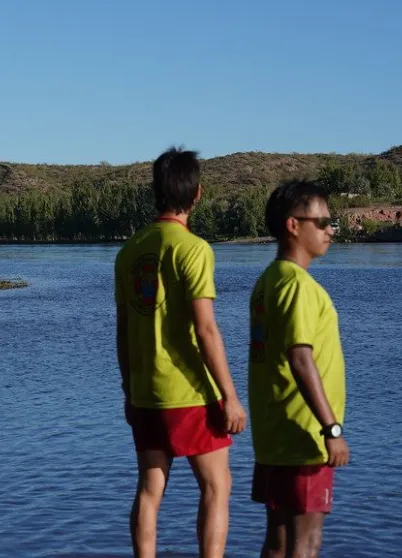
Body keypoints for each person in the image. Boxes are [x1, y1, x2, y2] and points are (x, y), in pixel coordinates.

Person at [114, 147, 247, 558]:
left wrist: (129, 391)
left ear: (155, 192)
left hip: (146, 391)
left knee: (150, 490)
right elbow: (205, 328)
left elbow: (122, 331)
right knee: (217, 485)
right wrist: (230, 396)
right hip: (190, 393)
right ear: (198, 194)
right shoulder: (193, 249)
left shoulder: (130, 251)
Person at [248, 180, 349, 558]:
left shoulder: (268, 281)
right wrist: (332, 429)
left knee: (278, 543)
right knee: (306, 543)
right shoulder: (297, 285)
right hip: (303, 436)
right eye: (322, 222)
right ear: (294, 225)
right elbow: (300, 357)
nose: (330, 230)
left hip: (274, 435)